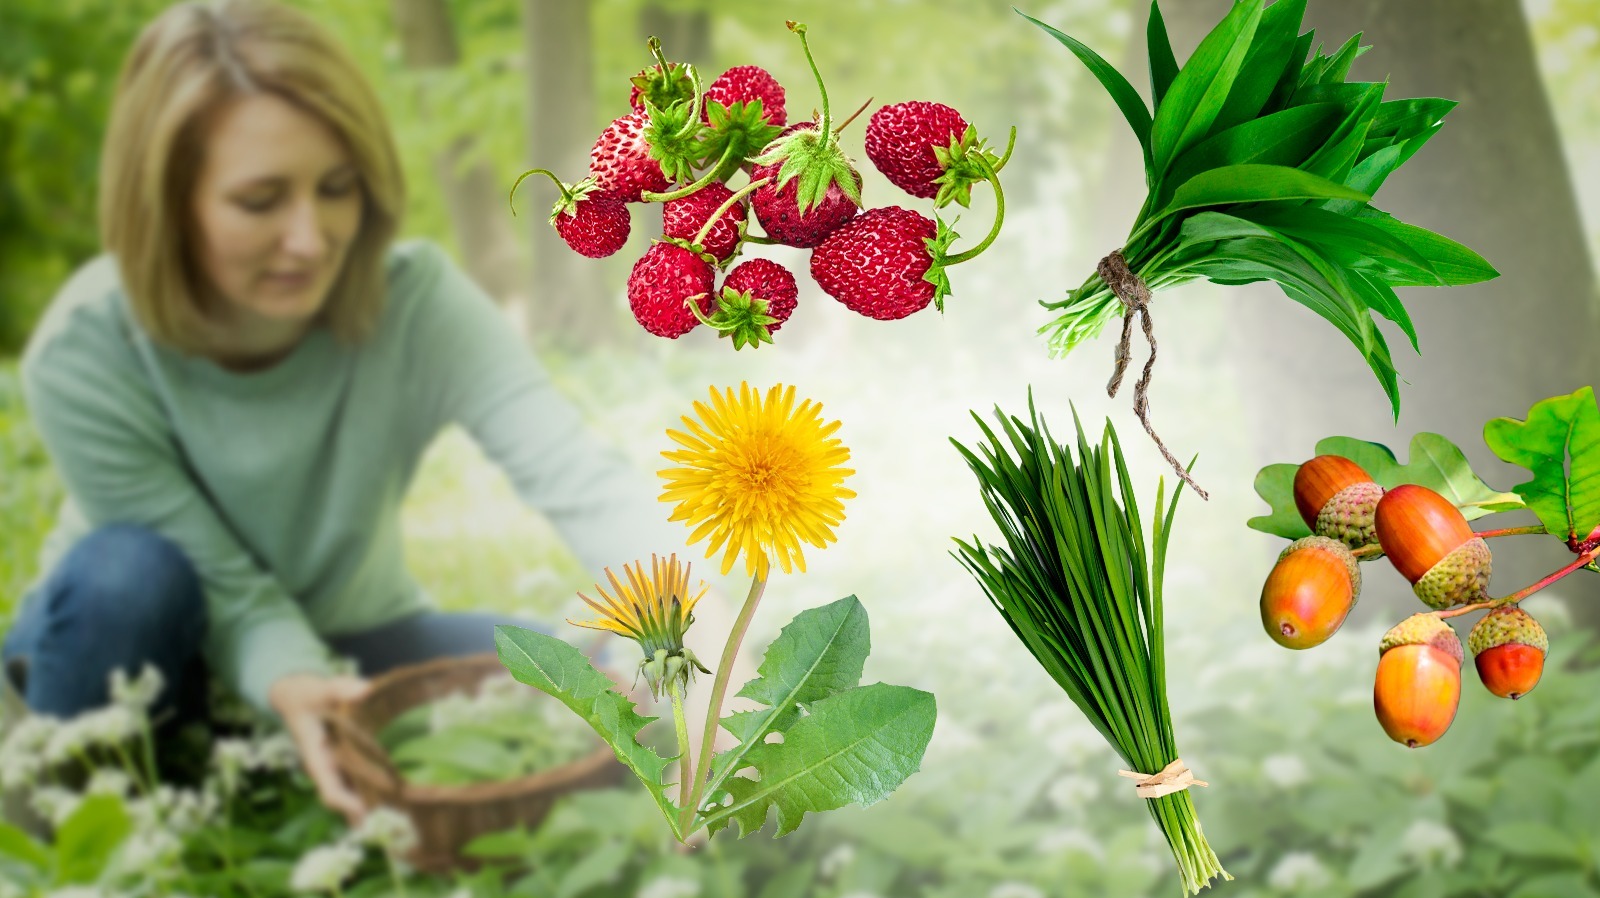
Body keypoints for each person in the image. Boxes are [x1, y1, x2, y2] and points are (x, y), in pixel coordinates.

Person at [1, 0, 688, 825]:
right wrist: (287, 679)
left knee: (585, 677)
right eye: (260, 200)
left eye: (337, 189)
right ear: (168, 202)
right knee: (128, 572)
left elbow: (578, 479)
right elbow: (226, 587)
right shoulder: (86, 346)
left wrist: (686, 618)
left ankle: (247, 754)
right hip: (141, 641)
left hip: (347, 641)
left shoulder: (417, 302)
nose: (311, 237)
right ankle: (55, 799)